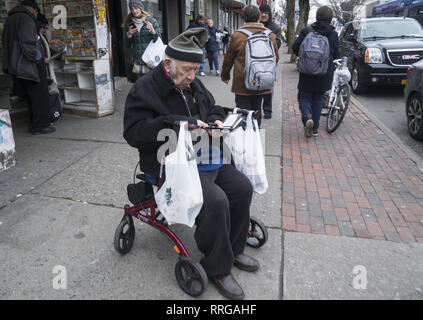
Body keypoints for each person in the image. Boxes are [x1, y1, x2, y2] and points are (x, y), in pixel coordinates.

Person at [123, 28, 258, 300]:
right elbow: (133, 132)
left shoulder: (192, 84)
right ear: (167, 64)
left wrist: (218, 120)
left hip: (207, 156)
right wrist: (177, 124)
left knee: (242, 187)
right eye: (186, 70)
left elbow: (212, 107)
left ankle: (233, 249)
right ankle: (218, 267)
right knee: (216, 201)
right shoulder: (145, 89)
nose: (191, 77)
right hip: (170, 163)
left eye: (196, 69)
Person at [221, 5, 279, 127]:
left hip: (242, 83)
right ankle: (255, 135)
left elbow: (228, 59)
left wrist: (225, 75)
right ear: (259, 17)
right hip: (261, 81)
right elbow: (276, 58)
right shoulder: (270, 35)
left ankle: (244, 139)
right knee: (257, 110)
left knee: (242, 113)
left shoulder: (237, 35)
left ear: (243, 17)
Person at [2, 0, 54, 135]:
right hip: (29, 64)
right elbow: (28, 43)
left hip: (16, 65)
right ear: (33, 10)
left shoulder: (10, 19)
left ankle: (33, 123)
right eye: (36, 12)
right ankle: (41, 125)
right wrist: (40, 58)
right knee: (39, 94)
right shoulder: (26, 18)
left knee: (31, 96)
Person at [292, 6, 339, 138]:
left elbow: (295, 47)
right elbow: (336, 54)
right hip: (324, 73)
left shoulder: (307, 31)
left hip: (307, 72)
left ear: (317, 17)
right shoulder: (333, 34)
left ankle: (307, 117)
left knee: (303, 97)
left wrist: (306, 58)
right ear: (330, 19)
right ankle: (315, 129)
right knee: (318, 99)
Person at [124, 0, 161, 82]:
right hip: (138, 60)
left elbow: (158, 40)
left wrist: (152, 30)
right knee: (141, 86)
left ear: (141, 8)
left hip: (151, 59)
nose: (134, 11)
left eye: (136, 8)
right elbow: (127, 45)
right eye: (132, 9)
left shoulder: (151, 21)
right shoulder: (130, 24)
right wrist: (129, 34)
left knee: (153, 85)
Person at [37, 13, 62, 123]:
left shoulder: (42, 37)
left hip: (46, 70)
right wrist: (43, 60)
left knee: (50, 92)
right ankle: (49, 116)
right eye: (43, 28)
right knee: (47, 94)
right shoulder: (37, 38)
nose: (44, 30)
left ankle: (52, 115)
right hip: (41, 71)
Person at [259, 4, 282, 120]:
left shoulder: (275, 27)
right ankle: (256, 109)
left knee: (268, 85)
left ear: (269, 14)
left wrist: (267, 37)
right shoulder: (255, 25)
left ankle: (267, 110)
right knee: (255, 84)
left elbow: (277, 44)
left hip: (269, 62)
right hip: (255, 62)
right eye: (261, 12)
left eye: (266, 13)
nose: (263, 15)